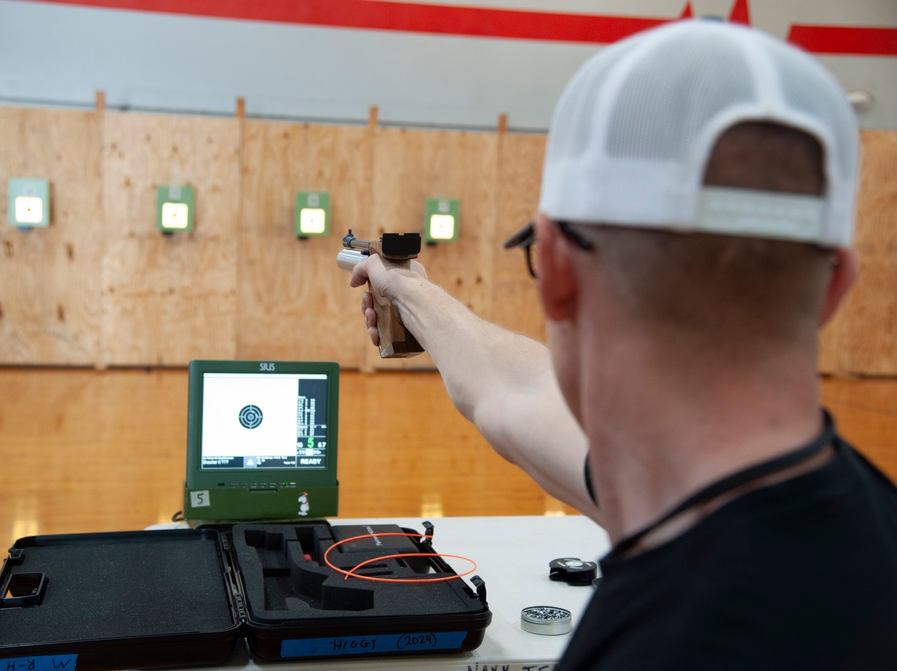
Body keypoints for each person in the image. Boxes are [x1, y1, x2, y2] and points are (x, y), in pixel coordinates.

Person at [348, 19, 897, 670]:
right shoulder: (843, 522)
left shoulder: (660, 641)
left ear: (554, 269)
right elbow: (508, 391)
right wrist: (407, 288)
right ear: (837, 285)